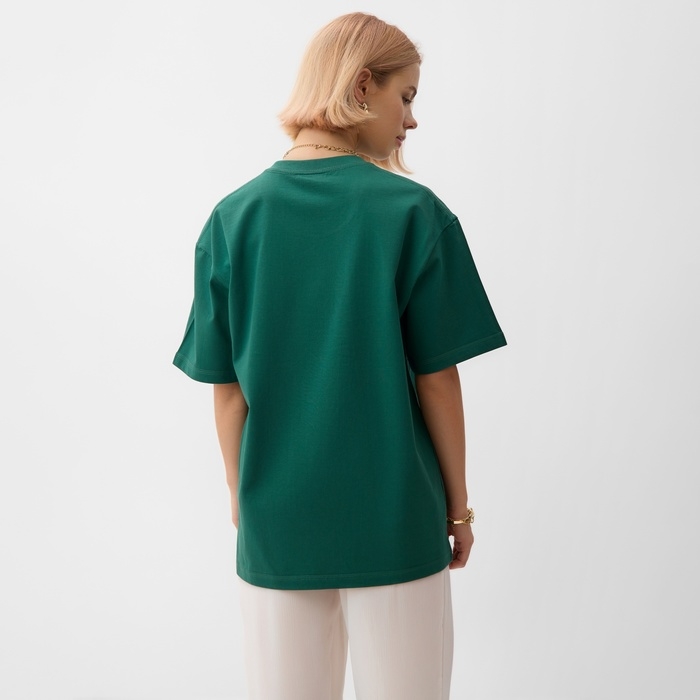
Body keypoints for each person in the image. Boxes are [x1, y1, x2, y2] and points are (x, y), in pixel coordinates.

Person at [173, 12, 506, 700]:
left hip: (278, 526)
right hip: (396, 521)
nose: (411, 120)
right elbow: (438, 381)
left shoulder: (232, 219)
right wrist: (458, 510)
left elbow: (228, 391)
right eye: (405, 97)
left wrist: (242, 496)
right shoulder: (414, 213)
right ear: (361, 87)